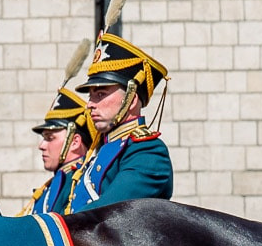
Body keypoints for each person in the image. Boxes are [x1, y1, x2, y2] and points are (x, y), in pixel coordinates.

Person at [72, 34, 174, 208]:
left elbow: (103, 214)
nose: (89, 104)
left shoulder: (148, 152)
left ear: (131, 100)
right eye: (90, 96)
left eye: (100, 95)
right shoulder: (103, 152)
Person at [26, 88, 96, 216]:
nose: (41, 145)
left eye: (50, 138)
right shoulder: (49, 187)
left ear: (74, 142)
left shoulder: (82, 181)